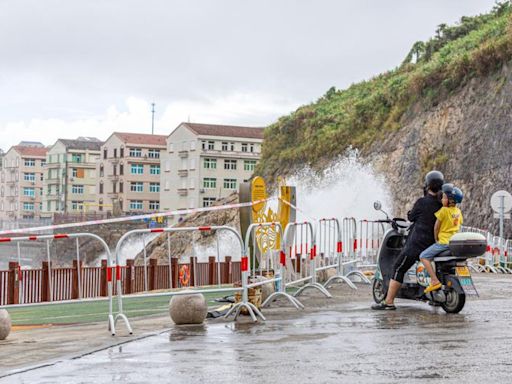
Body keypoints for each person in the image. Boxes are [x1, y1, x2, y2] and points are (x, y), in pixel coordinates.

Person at [372, 170, 444, 310]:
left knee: (399, 267)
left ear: (427, 186)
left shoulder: (422, 202)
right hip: (434, 244)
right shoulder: (442, 204)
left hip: (417, 244)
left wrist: (411, 214)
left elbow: (411, 218)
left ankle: (389, 302)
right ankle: (433, 297)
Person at [420, 184, 464, 293]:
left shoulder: (443, 211)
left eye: (444, 197)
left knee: (423, 257)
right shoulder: (458, 212)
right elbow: (459, 224)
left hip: (443, 242)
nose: (442, 199)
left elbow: (436, 227)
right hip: (453, 242)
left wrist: (436, 239)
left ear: (450, 201)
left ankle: (434, 280)